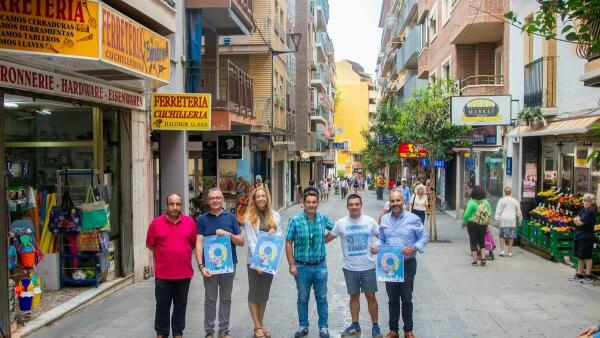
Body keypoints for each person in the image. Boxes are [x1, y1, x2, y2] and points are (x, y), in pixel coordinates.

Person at [370, 188, 428, 338]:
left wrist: (414, 247)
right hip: (390, 266)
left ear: (403, 202)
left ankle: (408, 330)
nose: (395, 203)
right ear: (389, 202)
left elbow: (424, 236)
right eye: (393, 201)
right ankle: (393, 330)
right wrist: (377, 246)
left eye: (398, 200)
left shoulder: (413, 219)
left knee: (407, 298)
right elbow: (382, 238)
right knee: (392, 298)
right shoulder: (384, 219)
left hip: (407, 264)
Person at [325, 194, 383, 338]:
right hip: (349, 268)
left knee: (371, 297)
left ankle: (375, 327)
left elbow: (383, 237)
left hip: (368, 266)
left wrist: (378, 247)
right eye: (351, 204)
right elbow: (327, 238)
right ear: (347, 206)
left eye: (357, 204)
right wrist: (311, 238)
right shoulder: (341, 223)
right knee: (354, 297)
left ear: (361, 205)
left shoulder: (370, 221)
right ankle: (355, 325)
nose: (354, 207)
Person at [286, 187, 335, 338]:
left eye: (314, 202)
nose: (312, 205)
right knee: (303, 297)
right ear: (303, 203)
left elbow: (336, 230)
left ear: (318, 203)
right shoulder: (295, 220)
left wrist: (324, 240)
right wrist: (291, 264)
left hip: (320, 266)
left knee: (321, 297)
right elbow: (288, 242)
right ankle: (303, 325)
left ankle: (323, 327)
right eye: (309, 202)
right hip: (301, 267)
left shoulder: (323, 219)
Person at [195, 189, 245, 338]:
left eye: (218, 198)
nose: (215, 200)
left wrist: (228, 234)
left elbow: (241, 242)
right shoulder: (202, 219)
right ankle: (209, 332)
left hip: (228, 265)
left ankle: (223, 330)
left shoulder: (231, 217)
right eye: (212, 198)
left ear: (223, 199)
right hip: (209, 266)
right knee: (210, 299)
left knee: (226, 298)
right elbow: (199, 243)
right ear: (208, 201)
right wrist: (200, 266)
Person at [146, 194, 196, 338]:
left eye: (178, 204)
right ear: (166, 206)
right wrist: (165, 254)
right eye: (172, 204)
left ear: (181, 205)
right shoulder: (155, 224)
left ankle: (178, 333)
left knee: (181, 305)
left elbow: (193, 244)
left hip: (184, 273)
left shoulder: (190, 223)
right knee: (162, 305)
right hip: (163, 274)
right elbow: (150, 244)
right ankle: (161, 333)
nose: (175, 207)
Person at [243, 187, 282, 338]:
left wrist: (275, 232)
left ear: (267, 198)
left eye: (263, 196)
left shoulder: (276, 216)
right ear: (253, 199)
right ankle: (257, 326)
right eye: (257, 196)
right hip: (254, 261)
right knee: (254, 292)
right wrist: (258, 262)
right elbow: (252, 241)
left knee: (263, 294)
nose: (260, 199)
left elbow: (280, 236)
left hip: (270, 261)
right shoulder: (248, 217)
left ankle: (260, 324)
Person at [462, 185, 492, 266]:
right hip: (483, 224)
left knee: (473, 241)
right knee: (482, 241)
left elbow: (466, 215)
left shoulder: (471, 202)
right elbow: (490, 213)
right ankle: (483, 258)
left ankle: (475, 261)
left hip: (472, 224)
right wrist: (487, 223)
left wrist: (464, 223)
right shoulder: (486, 202)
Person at [570, 193, 597, 284]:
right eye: (584, 201)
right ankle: (579, 274)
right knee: (580, 256)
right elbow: (575, 221)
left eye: (588, 201)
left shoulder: (591, 212)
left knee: (587, 257)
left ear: (592, 202)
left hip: (586, 237)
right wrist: (577, 220)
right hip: (579, 236)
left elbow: (580, 223)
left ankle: (588, 276)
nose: (586, 203)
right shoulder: (582, 210)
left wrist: (577, 220)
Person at [494, 186, 522, 257]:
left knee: (502, 236)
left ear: (504, 192)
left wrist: (496, 220)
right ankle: (509, 252)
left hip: (503, 220)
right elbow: (519, 212)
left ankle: (502, 251)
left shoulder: (501, 200)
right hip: (512, 220)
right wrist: (520, 221)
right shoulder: (515, 201)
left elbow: (498, 211)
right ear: (511, 192)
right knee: (511, 237)